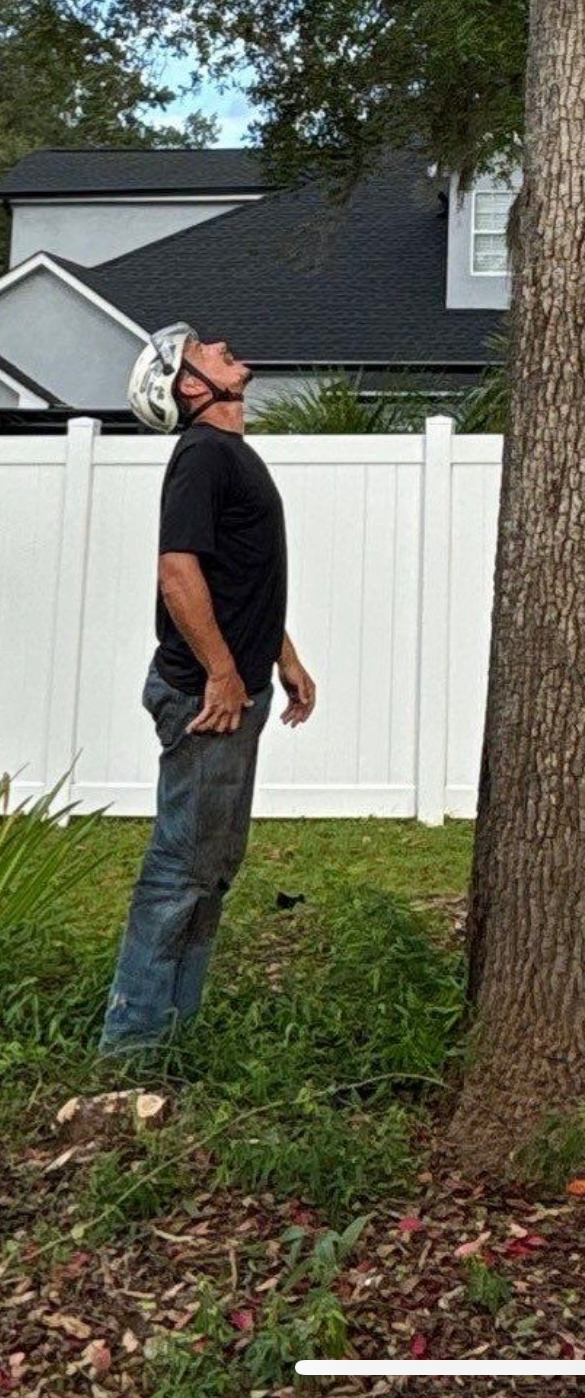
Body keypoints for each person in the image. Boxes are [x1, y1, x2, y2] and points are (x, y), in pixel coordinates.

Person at [98, 323, 316, 1059]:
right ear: (191, 388)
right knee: (180, 869)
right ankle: (131, 1049)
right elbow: (179, 573)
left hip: (237, 690)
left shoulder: (229, 455)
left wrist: (283, 657)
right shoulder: (201, 455)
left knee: (212, 869)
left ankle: (173, 1039)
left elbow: (241, 577)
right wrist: (222, 674)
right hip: (206, 698)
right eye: (202, 353)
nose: (219, 346)